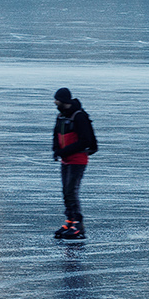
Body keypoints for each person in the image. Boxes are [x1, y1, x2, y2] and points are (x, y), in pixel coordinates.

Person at [51, 87, 98, 240]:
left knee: (71, 191)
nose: (55, 102)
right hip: (66, 160)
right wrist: (56, 150)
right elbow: (56, 135)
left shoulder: (79, 116)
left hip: (77, 160)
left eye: (57, 99)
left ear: (64, 101)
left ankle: (78, 224)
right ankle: (70, 221)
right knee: (66, 191)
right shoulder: (61, 116)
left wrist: (64, 152)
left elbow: (87, 140)